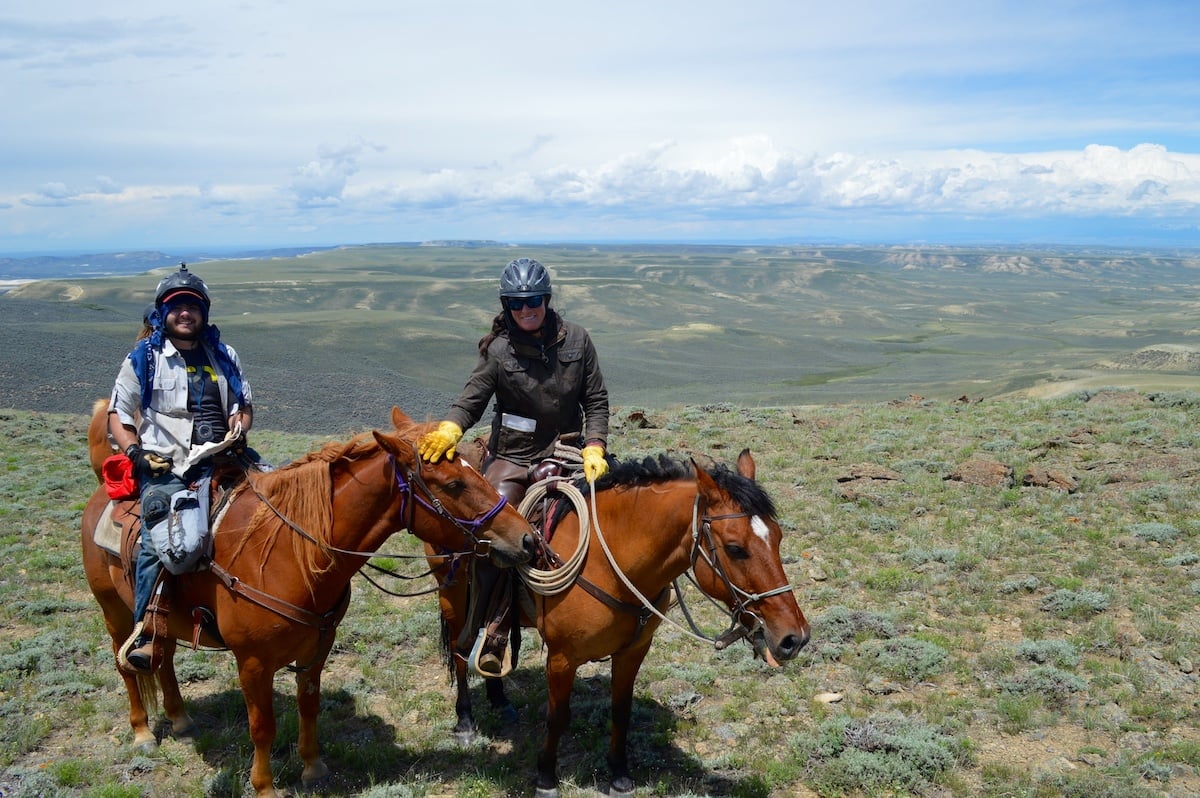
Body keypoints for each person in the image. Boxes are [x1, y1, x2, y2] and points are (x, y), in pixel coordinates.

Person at [418, 257, 611, 676]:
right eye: (518, 303)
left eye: (534, 301)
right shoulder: (500, 350)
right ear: (507, 306)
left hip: (567, 452)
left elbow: (595, 400)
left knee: (614, 511)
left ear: (547, 299)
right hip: (513, 457)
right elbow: (472, 397)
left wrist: (595, 445)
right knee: (492, 531)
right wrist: (451, 428)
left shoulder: (578, 340)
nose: (527, 310)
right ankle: (494, 631)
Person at [108, 263, 256, 673]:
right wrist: (137, 453)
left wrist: (239, 424)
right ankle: (149, 629)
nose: (185, 312)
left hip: (226, 456)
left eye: (192, 305)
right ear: (162, 313)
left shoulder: (225, 355)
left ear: (204, 311)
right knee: (164, 541)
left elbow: (243, 405)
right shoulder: (144, 357)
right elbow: (118, 416)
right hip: (166, 463)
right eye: (176, 306)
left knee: (280, 500)